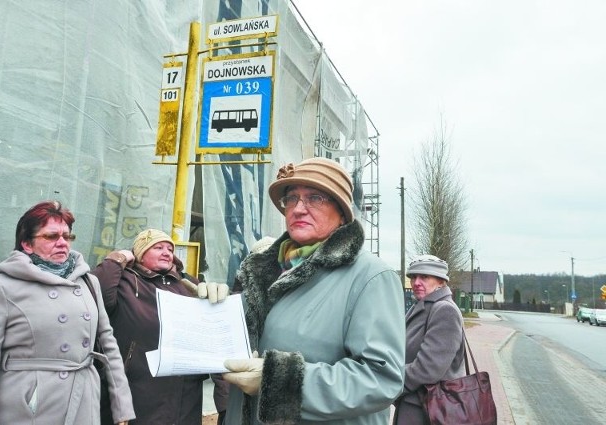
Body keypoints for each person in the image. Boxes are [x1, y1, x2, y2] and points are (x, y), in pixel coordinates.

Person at [222, 157, 406, 424]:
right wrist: (211, 309)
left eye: (315, 198)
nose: (298, 209)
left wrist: (277, 380)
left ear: (342, 212)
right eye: (291, 198)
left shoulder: (371, 276)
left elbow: (381, 378)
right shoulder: (262, 271)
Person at [0, 200, 135, 425]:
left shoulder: (88, 282)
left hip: (83, 402)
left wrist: (122, 408)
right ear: (27, 244)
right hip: (29, 409)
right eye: (51, 236)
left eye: (67, 236)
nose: (62, 243)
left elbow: (108, 344)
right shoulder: (0, 287)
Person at [92, 228, 230, 425]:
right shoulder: (126, 282)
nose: (167, 252)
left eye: (169, 249)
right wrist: (118, 258)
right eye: (158, 247)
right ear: (140, 253)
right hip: (139, 388)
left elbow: (211, 332)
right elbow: (97, 291)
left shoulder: (187, 284)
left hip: (185, 393)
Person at [392, 254, 466, 425]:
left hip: (429, 410)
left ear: (441, 281)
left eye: (424, 277)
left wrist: (388, 382)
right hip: (415, 404)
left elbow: (428, 368)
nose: (416, 282)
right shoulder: (422, 306)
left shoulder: (444, 311)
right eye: (413, 277)